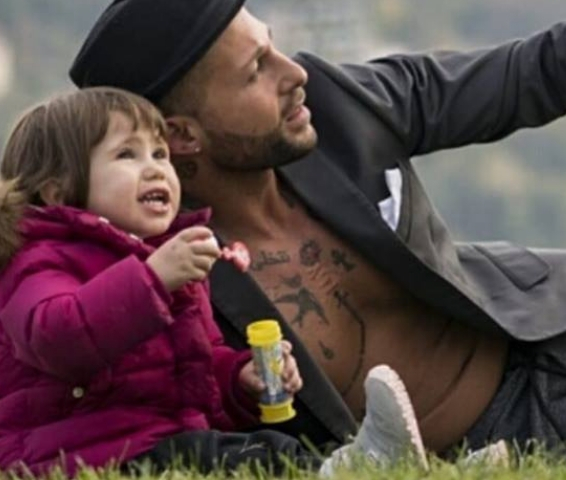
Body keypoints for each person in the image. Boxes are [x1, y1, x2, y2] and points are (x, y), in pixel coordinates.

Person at [66, 0, 566, 463]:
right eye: (255, 73)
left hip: (565, 316)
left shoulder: (335, 106)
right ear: (184, 136)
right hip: (508, 430)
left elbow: (524, 75)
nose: (292, 71)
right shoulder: (151, 279)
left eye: (270, 46)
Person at [0, 87, 428, 476]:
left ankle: (389, 467)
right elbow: (57, 337)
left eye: (160, 154)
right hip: (84, 459)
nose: (155, 169)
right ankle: (357, 467)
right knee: (251, 458)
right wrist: (152, 279)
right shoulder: (40, 259)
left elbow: (196, 365)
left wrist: (242, 378)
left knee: (260, 450)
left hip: (165, 442)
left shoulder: (162, 260)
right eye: (127, 155)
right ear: (57, 192)